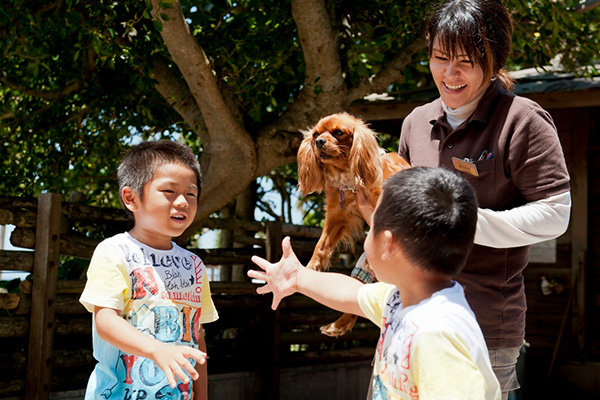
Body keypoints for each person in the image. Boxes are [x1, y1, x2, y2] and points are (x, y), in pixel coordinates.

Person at [388, 0, 571, 398]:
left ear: (494, 60)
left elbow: (556, 214)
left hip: (485, 322)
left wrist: (466, 222)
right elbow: (397, 217)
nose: (449, 75)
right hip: (410, 317)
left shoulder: (523, 119)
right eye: (439, 59)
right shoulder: (415, 123)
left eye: (465, 62)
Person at [250, 167, 502, 400]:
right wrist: (298, 277)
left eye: (371, 227)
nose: (366, 235)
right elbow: (350, 292)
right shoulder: (401, 299)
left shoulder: (436, 334)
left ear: (388, 243)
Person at [80, 140, 218, 400]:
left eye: (191, 193)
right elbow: (106, 322)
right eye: (169, 191)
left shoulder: (195, 266)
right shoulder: (114, 251)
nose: (182, 202)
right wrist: (157, 349)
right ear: (131, 198)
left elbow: (197, 339)